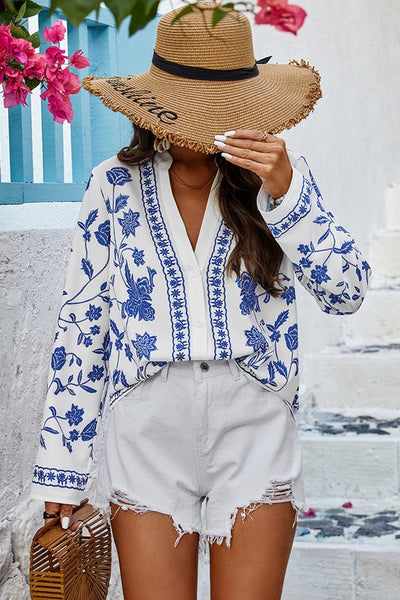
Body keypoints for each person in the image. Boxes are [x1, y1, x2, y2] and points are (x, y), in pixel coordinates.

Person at [29, 2, 372, 598]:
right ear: (154, 105)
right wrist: (63, 469)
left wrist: (288, 196)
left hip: (255, 426)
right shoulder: (113, 186)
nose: (196, 125)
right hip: (146, 431)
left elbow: (348, 292)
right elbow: (82, 329)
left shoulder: (280, 179)